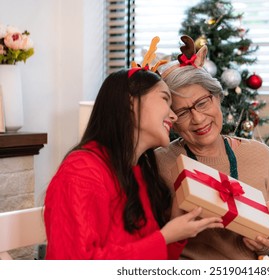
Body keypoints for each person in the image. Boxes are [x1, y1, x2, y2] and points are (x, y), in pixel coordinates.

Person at [43, 37, 223, 260]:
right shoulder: (82, 171)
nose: (174, 115)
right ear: (130, 103)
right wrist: (164, 236)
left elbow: (152, 261)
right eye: (164, 99)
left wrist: (176, 228)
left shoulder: (138, 173)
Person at [155, 35, 269, 259]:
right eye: (182, 112)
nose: (198, 119)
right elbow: (147, 243)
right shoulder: (159, 163)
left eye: (202, 103)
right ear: (171, 119)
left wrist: (268, 244)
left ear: (218, 98)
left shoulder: (259, 154)